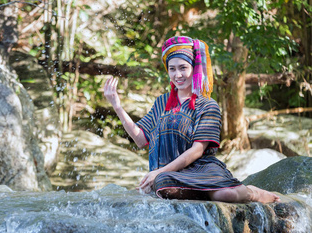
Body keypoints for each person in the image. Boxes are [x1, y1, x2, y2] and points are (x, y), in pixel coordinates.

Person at [103, 36, 280, 203]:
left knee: (225, 194)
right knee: (164, 184)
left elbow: (197, 150)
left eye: (183, 68)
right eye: (172, 69)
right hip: (171, 174)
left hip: (201, 169)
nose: (177, 74)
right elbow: (140, 139)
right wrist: (117, 106)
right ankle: (200, 192)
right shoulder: (162, 102)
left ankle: (252, 192)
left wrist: (158, 172)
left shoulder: (208, 105)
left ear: (194, 69)